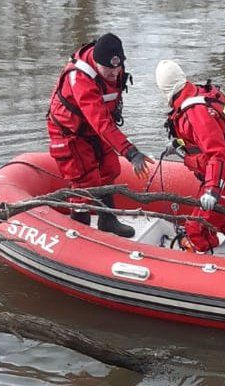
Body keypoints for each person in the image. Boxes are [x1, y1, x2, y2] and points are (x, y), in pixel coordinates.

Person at [47, 33, 152, 238]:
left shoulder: (114, 69)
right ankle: (79, 225)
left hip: (96, 128)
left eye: (117, 69)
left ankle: (107, 220)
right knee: (84, 180)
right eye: (109, 70)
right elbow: (100, 122)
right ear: (96, 63)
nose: (114, 74)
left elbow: (105, 117)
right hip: (71, 133)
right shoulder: (80, 78)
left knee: (110, 169)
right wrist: (131, 152)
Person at [154, 59, 225, 252]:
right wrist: (180, 145)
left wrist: (212, 190)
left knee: (197, 229)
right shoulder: (202, 94)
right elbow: (208, 137)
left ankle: (207, 267)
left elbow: (218, 154)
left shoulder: (194, 112)